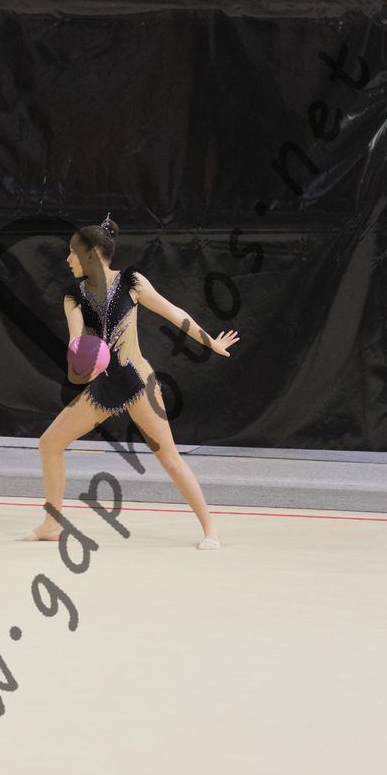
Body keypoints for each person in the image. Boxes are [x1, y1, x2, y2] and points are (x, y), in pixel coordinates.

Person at [25, 214, 239, 548]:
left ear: (92, 254)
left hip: (139, 383)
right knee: (49, 444)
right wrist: (80, 363)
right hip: (104, 386)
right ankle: (51, 524)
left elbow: (174, 313)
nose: (67, 260)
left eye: (72, 253)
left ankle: (210, 529)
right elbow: (76, 340)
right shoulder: (73, 296)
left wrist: (210, 342)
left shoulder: (131, 282)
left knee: (169, 457)